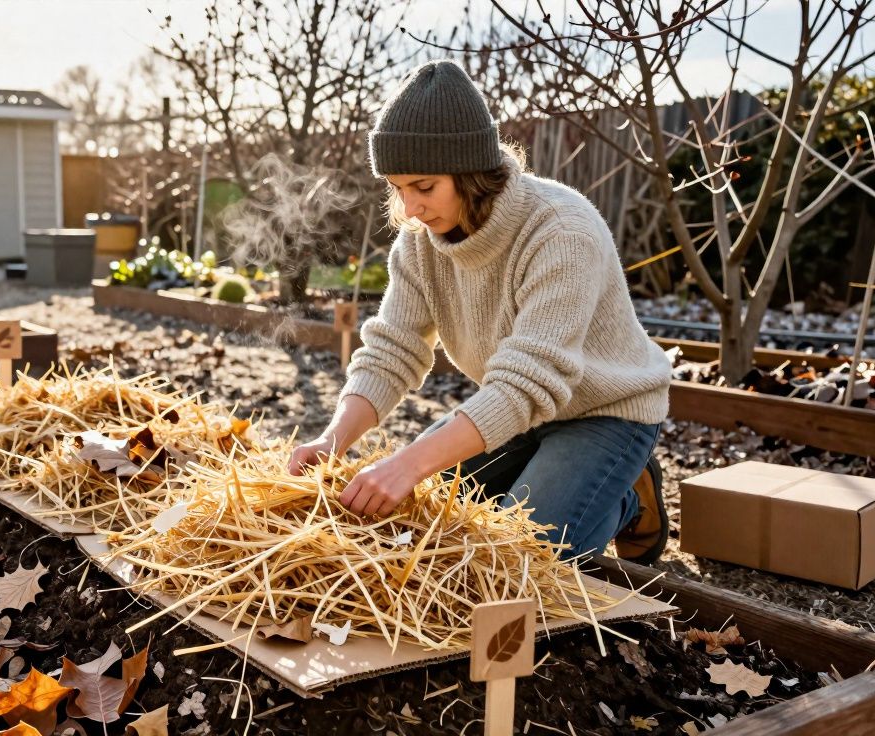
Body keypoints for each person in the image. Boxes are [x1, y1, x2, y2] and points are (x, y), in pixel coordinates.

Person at [286, 60, 673, 563]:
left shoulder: (561, 230)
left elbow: (529, 379)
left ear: (471, 172)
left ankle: (626, 496)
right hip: (513, 410)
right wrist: (333, 439)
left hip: (603, 413)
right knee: (421, 520)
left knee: (517, 558)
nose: (410, 208)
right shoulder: (419, 242)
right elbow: (391, 351)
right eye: (398, 189)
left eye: (424, 187)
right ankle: (553, 479)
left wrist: (409, 463)